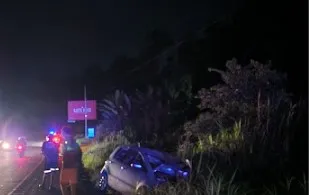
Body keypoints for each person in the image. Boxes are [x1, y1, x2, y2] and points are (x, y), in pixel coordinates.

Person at [59, 126, 82, 195]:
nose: (61, 134)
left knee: (63, 183)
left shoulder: (67, 142)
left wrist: (63, 150)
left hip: (67, 165)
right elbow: (79, 153)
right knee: (72, 184)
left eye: (62, 133)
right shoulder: (74, 143)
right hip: (74, 165)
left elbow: (65, 153)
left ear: (65, 133)